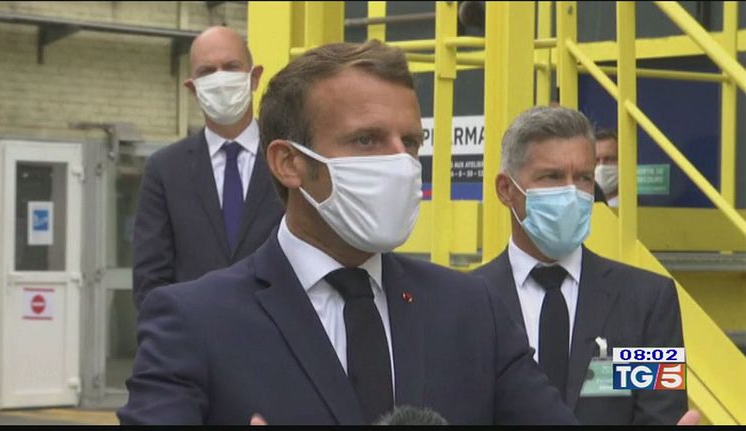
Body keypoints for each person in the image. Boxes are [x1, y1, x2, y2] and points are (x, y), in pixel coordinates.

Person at [117, 41, 578, 425]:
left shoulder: (472, 311)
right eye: (366, 140)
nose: (400, 163)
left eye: (410, 142)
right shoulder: (193, 323)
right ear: (289, 163)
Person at [471, 106, 688, 425]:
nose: (571, 193)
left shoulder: (648, 301)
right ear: (506, 189)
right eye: (552, 177)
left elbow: (661, 414)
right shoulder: (464, 302)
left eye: (584, 178)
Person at [131, 26, 284, 307]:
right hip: (193, 333)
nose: (220, 79)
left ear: (254, 78)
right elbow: (150, 280)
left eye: (231, 67)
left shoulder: (288, 159)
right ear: (193, 88)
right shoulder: (164, 170)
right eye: (207, 72)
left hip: (278, 330)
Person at [594, 129, 619, 207]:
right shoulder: (578, 209)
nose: (601, 166)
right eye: (596, 160)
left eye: (609, 159)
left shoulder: (641, 208)